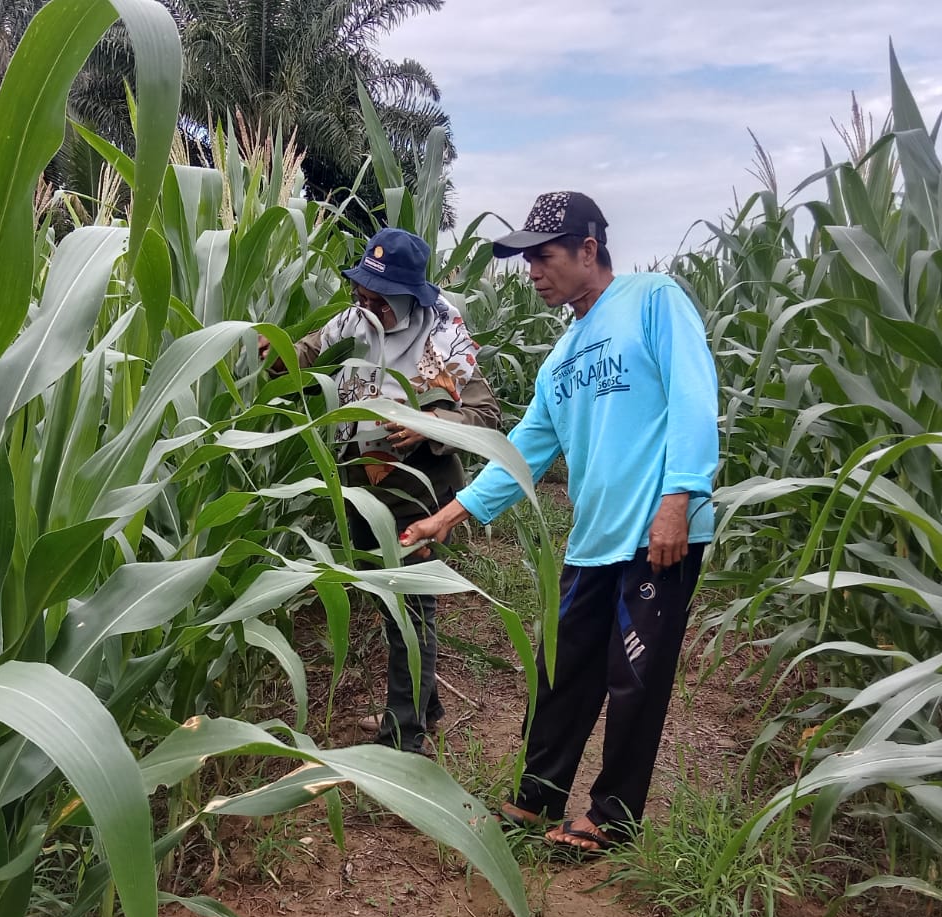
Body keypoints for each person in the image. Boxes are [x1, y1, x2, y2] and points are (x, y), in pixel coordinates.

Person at [400, 192, 719, 853]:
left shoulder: (652, 299)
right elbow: (522, 452)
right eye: (526, 261)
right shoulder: (562, 357)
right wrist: (449, 516)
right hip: (595, 538)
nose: (532, 272)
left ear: (588, 251)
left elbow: (694, 391)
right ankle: (537, 796)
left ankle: (614, 819)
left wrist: (680, 496)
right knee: (561, 670)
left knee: (635, 679)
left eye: (542, 257)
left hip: (658, 535)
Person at [263, 227, 501, 756]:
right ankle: (421, 705)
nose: (365, 306)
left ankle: (407, 735)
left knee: (412, 610)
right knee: (387, 599)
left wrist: (429, 424)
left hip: (417, 489)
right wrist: (280, 352)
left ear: (409, 297)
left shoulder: (442, 341)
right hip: (359, 482)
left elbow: (488, 418)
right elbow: (311, 350)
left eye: (378, 299)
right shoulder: (354, 320)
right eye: (361, 293)